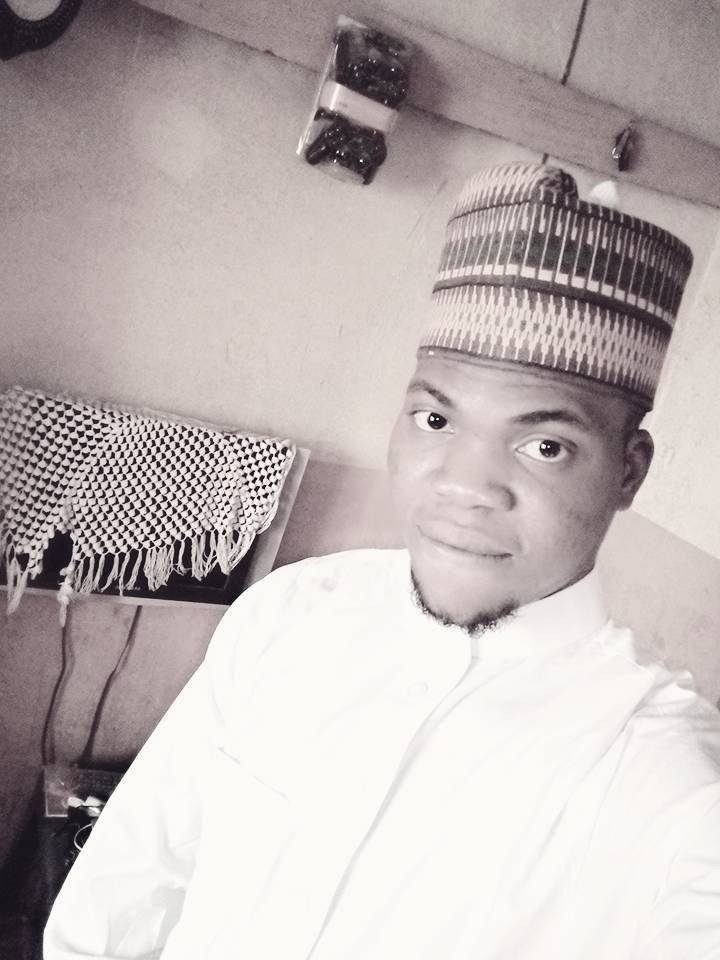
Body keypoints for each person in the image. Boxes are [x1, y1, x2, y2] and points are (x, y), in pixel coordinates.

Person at [44, 162, 720, 959]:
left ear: (629, 472)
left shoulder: (665, 777)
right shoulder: (292, 611)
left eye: (545, 445)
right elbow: (134, 875)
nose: (465, 487)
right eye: (436, 420)